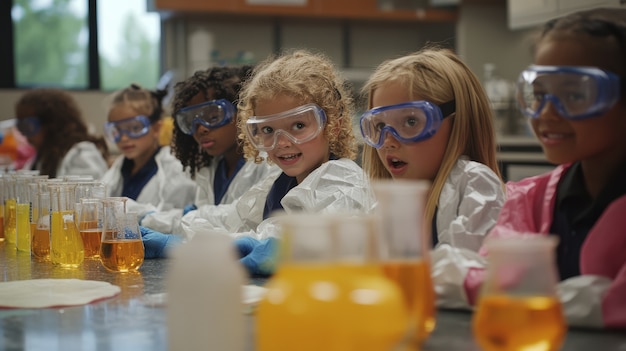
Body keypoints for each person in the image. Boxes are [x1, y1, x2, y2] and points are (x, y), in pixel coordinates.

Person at [445, 8, 626, 329]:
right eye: (538, 94)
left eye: (574, 94)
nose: (546, 113)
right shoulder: (533, 199)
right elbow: (493, 276)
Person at [145, 50, 374, 276]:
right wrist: (155, 223)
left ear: (332, 125)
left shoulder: (343, 183)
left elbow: (273, 241)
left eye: (298, 126)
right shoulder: (278, 182)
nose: (282, 142)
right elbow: (228, 218)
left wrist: (183, 245)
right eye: (267, 129)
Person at [360, 46, 505, 253]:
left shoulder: (474, 185)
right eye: (380, 126)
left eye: (410, 121)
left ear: (457, 123)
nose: (388, 142)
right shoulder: (388, 205)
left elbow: (463, 272)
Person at [139, 65, 280, 252]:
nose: (201, 129)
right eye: (191, 121)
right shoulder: (210, 168)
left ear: (243, 112)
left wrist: (155, 221)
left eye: (213, 116)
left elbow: (246, 227)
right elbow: (205, 224)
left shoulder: (268, 163)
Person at [100, 84, 196, 211]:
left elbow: (173, 220)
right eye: (117, 130)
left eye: (134, 128)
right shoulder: (121, 166)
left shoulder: (175, 168)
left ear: (156, 128)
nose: (124, 138)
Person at [14, 88, 109, 179]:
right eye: (20, 127)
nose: (24, 134)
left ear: (51, 125)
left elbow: (86, 192)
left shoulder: (81, 155)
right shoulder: (42, 156)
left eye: (28, 126)